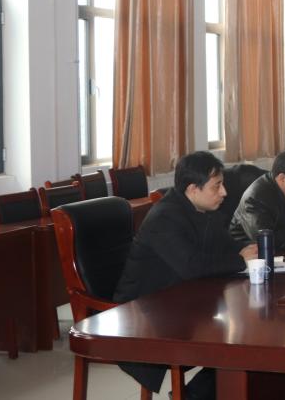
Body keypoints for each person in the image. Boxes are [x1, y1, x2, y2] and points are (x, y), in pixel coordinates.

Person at [114, 151, 258, 400]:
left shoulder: (203, 209)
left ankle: (196, 394)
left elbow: (226, 246)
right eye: (217, 186)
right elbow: (192, 266)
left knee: (247, 332)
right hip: (145, 311)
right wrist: (240, 259)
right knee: (237, 340)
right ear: (193, 189)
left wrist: (250, 250)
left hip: (182, 297)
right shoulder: (165, 217)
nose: (224, 192)